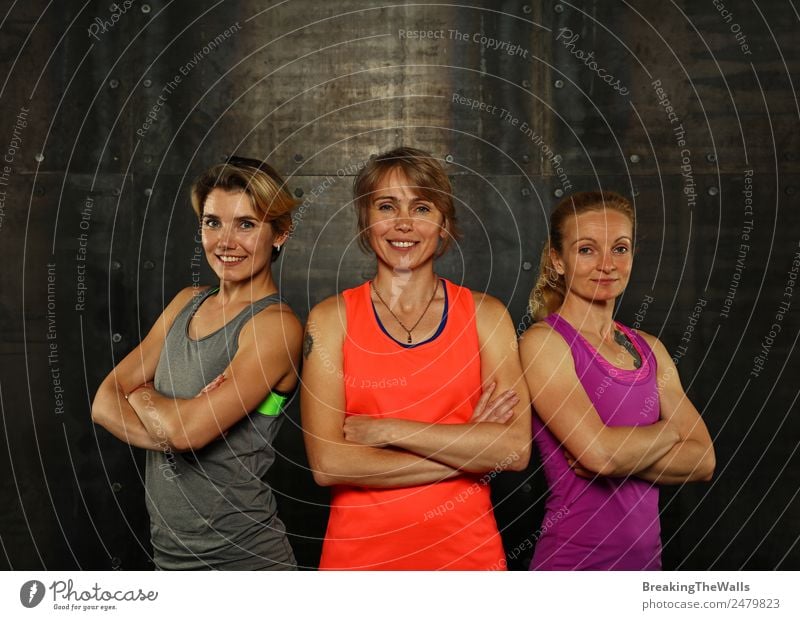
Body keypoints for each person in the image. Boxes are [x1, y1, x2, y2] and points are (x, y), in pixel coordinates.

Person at [301, 147, 531, 570]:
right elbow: (329, 464)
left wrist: (388, 429)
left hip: (468, 562)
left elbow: (514, 450)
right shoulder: (330, 320)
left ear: (443, 224)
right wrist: (467, 449)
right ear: (366, 220)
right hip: (358, 565)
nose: (404, 223)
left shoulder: (486, 316)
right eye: (386, 206)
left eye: (421, 207)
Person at [91, 157, 302, 570]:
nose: (225, 241)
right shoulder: (186, 302)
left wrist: (142, 395)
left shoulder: (275, 328)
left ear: (280, 233)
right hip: (170, 559)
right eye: (212, 222)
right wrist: (172, 425)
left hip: (245, 566)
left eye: (246, 224)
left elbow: (189, 434)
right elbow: (103, 402)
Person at [519, 190, 716, 570]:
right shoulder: (545, 343)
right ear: (558, 261)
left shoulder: (650, 349)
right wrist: (669, 433)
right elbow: (600, 454)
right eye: (587, 250)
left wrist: (613, 456)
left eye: (620, 248)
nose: (607, 264)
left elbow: (703, 460)